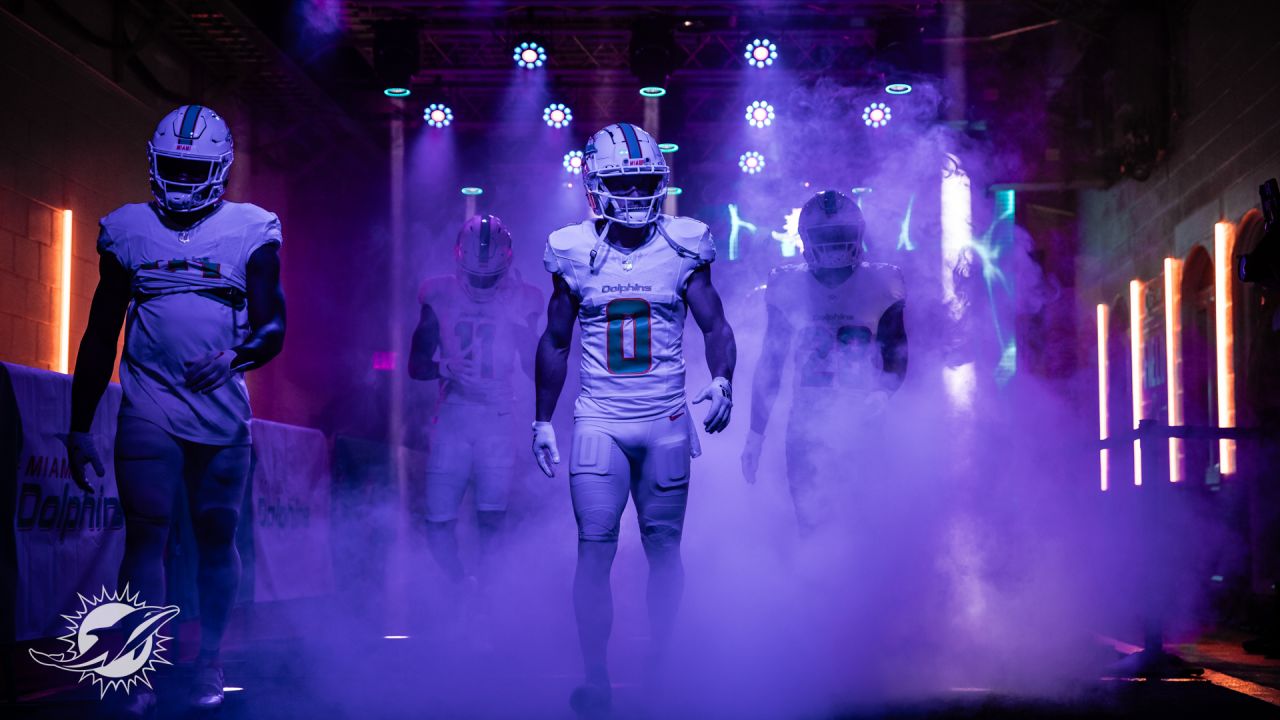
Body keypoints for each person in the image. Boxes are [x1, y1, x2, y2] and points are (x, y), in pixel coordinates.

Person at [63, 105, 285, 713]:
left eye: (194, 168)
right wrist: (79, 425)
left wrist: (237, 356)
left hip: (218, 408)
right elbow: (100, 329)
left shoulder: (251, 229)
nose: (182, 180)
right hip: (149, 402)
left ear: (219, 169)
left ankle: (209, 660)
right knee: (146, 535)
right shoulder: (130, 229)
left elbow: (273, 327)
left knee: (215, 538)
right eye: (172, 167)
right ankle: (133, 670)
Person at [533, 122, 736, 718]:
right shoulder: (573, 250)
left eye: (646, 181)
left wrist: (723, 379)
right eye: (623, 183)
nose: (636, 195)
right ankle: (595, 677)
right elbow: (555, 339)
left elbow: (716, 326)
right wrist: (542, 419)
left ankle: (662, 668)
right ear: (594, 187)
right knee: (594, 549)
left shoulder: (684, 246)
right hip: (599, 419)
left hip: (667, 418)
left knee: (664, 548)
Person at [740, 189, 907, 533]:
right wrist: (755, 434)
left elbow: (896, 350)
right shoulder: (787, 285)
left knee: (866, 531)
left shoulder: (882, 282)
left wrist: (882, 392)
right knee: (812, 528)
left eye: (840, 235)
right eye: (824, 236)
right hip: (807, 423)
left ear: (857, 235)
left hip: (862, 421)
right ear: (805, 239)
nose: (832, 245)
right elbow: (771, 363)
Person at [408, 214, 540, 606]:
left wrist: (519, 326)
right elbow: (415, 364)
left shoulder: (525, 298)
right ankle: (463, 587)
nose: (482, 285)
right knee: (436, 524)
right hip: (453, 413)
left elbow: (536, 369)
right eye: (475, 277)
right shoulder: (439, 293)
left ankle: (486, 602)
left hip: (498, 416)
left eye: (490, 278)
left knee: (492, 520)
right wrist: (442, 367)